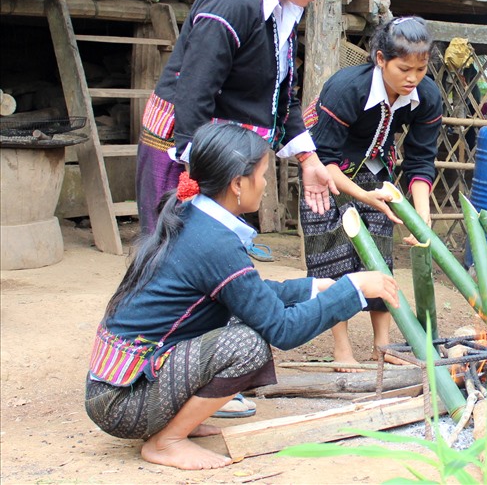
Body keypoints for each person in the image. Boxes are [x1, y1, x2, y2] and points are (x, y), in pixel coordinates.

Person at [85, 123, 398, 471]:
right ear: (237, 184)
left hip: (118, 383)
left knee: (240, 316)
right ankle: (166, 441)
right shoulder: (215, 242)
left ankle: (176, 421)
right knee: (248, 344)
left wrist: (315, 287)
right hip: (120, 401)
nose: (265, 185)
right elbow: (282, 330)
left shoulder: (194, 216)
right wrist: (352, 290)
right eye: (262, 175)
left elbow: (249, 295)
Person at [136, 0, 349, 235]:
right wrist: (198, 172)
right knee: (173, 258)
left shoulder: (282, 13)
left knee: (213, 262)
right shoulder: (231, 3)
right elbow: (195, 91)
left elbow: (281, 97)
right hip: (184, 149)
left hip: (222, 155)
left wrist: (309, 160)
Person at [300, 16, 442, 368]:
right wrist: (363, 197)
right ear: (380, 59)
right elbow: (325, 160)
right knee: (330, 253)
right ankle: (341, 348)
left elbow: (421, 159)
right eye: (404, 68)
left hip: (377, 170)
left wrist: (420, 214)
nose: (412, 78)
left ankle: (383, 346)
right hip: (325, 169)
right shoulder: (346, 88)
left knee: (379, 256)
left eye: (421, 70)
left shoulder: (427, 96)